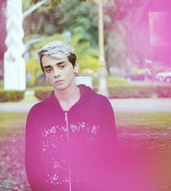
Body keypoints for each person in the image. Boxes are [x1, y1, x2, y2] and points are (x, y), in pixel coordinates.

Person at [25, 40, 118, 191]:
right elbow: (33, 164)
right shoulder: (37, 113)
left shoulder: (100, 105)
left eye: (62, 66)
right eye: (49, 69)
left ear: (75, 67)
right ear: (45, 75)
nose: (56, 73)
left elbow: (112, 155)